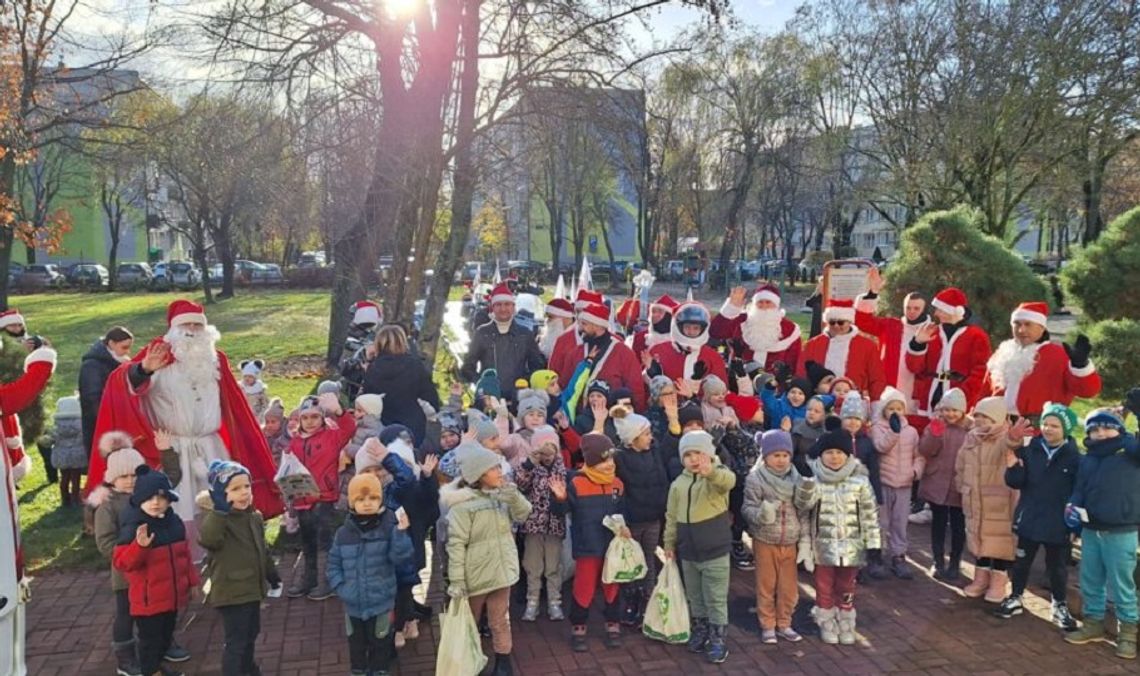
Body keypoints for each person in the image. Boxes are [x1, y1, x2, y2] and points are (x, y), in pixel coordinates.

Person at [86, 300, 284, 529]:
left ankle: (226, 557)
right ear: (173, 329)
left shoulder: (215, 359)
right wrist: (144, 370)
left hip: (213, 449)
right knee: (179, 511)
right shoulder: (157, 354)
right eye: (185, 325)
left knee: (223, 508)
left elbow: (233, 404)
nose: (191, 331)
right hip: (173, 451)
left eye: (197, 326)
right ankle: (182, 557)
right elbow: (122, 381)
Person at [444, 442, 533, 676]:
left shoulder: (503, 496)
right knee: (469, 622)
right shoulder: (463, 507)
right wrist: (457, 581)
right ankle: (469, 661)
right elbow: (456, 545)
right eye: (494, 468)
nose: (500, 472)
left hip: (502, 570)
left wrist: (514, 497)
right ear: (478, 475)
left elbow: (524, 514)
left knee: (500, 620)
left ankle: (504, 663)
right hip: (475, 576)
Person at [993, 403, 1079, 630]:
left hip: (1058, 521)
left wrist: (1075, 524)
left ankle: (1059, 604)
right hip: (1029, 516)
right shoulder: (1031, 449)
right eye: (1045, 424)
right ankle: (1016, 596)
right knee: (1021, 561)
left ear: (1066, 429)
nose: (1048, 429)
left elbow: (1078, 491)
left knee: (1057, 566)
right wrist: (1013, 468)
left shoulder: (1075, 457)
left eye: (1055, 426)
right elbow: (1016, 482)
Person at [1063, 410, 1139, 659]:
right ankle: (1093, 624)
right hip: (1091, 530)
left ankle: (1127, 633)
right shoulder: (1088, 458)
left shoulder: (1130, 454)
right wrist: (1072, 505)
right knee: (1090, 580)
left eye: (1107, 428)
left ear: (1120, 429)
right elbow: (1079, 488)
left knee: (1122, 585)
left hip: (1121, 530)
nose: (1101, 433)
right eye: (1094, 430)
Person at [196, 460, 280, 676]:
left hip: (252, 588)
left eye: (247, 487)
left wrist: (271, 573)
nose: (243, 493)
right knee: (237, 641)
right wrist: (220, 513)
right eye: (235, 489)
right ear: (220, 494)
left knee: (251, 633)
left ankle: (247, 668)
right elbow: (209, 539)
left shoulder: (253, 516)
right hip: (232, 592)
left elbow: (262, 549)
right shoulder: (218, 520)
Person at [113, 466, 200, 676]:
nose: (155, 502)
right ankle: (151, 671)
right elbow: (123, 563)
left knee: (164, 638)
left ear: (169, 500)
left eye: (161, 497)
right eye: (148, 497)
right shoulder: (133, 526)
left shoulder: (174, 524)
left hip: (171, 598)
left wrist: (193, 581)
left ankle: (157, 668)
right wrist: (140, 547)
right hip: (148, 602)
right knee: (150, 643)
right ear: (138, 499)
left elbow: (184, 556)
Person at [328, 473, 414, 676]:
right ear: (352, 502)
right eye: (361, 499)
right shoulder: (343, 534)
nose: (367, 504)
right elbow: (333, 564)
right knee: (356, 648)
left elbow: (400, 558)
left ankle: (379, 671)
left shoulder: (389, 527)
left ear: (381, 500)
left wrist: (401, 533)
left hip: (381, 603)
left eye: (373, 498)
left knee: (381, 646)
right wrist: (341, 587)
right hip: (353, 605)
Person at [552, 433, 630, 652]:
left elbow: (622, 512)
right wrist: (559, 499)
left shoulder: (618, 484)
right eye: (605, 461)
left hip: (611, 547)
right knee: (583, 587)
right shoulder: (577, 483)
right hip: (587, 547)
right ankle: (579, 626)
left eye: (612, 460)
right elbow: (561, 512)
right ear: (592, 461)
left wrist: (625, 528)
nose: (610, 465)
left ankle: (612, 623)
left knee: (612, 585)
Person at [663, 430, 736, 664]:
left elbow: (729, 481)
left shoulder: (717, 476)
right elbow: (671, 516)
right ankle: (701, 628)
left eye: (699, 453)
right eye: (689, 454)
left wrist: (711, 471)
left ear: (709, 454)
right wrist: (669, 542)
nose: (694, 459)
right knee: (695, 596)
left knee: (715, 596)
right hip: (689, 551)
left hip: (714, 549)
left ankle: (718, 637)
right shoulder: (678, 484)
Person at [803, 429, 881, 645]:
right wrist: (806, 489)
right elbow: (804, 509)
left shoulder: (860, 482)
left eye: (839, 452)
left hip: (851, 547)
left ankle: (845, 618)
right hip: (823, 547)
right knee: (824, 586)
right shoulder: (814, 481)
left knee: (847, 585)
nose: (834, 457)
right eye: (829, 452)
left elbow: (869, 514)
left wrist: (874, 543)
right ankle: (826, 619)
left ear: (848, 455)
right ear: (821, 455)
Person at [741, 430, 816, 644]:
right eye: (776, 455)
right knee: (766, 585)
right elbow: (747, 508)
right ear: (765, 456)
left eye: (785, 455)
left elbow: (802, 510)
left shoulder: (797, 477)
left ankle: (784, 623)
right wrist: (762, 514)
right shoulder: (756, 478)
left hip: (790, 541)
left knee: (789, 588)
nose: (781, 460)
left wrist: (804, 538)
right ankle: (768, 624)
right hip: (765, 540)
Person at [285, 393, 357, 600]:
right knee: (307, 541)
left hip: (324, 497)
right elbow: (288, 467)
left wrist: (339, 411)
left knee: (325, 540)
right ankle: (309, 578)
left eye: (314, 417)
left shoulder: (332, 436)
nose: (309, 422)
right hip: (302, 499)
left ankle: (329, 580)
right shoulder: (295, 442)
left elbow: (349, 428)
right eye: (305, 417)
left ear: (322, 417)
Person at [982, 302, 1101, 422]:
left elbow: (1088, 391)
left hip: (1039, 431)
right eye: (1016, 324)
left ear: (1042, 327)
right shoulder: (1002, 353)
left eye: (1028, 325)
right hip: (996, 428)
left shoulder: (1058, 355)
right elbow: (984, 391)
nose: (1021, 330)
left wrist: (1080, 366)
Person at [955, 396, 1024, 604]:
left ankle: (998, 582)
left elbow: (1012, 443)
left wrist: (1014, 437)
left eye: (986, 417)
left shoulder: (1003, 437)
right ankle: (981, 578)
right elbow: (960, 464)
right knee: (979, 541)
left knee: (1000, 543)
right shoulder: (970, 438)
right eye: (978, 416)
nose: (980, 421)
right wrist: (961, 485)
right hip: (974, 499)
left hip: (999, 501)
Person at [89, 432, 147, 676]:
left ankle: (152, 650)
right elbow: (105, 542)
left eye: (135, 475)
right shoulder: (108, 506)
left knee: (149, 611)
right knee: (125, 613)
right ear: (112, 478)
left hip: (150, 568)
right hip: (125, 573)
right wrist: (128, 555)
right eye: (124, 476)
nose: (130, 480)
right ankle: (125, 658)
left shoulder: (148, 497)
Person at [611, 405, 670, 628]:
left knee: (649, 560)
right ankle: (630, 603)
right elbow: (617, 492)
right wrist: (622, 521)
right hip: (632, 521)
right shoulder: (620, 458)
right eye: (645, 434)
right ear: (632, 438)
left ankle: (648, 602)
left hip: (653, 518)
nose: (650, 437)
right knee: (631, 564)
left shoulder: (654, 451)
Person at [906, 287, 992, 415]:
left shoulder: (976, 336)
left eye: (940, 310)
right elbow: (915, 368)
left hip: (958, 404)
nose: (936, 314)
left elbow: (981, 371)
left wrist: (962, 396)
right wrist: (917, 343)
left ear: (955, 311)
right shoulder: (931, 332)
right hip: (928, 399)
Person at [513, 425, 567, 623]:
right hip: (533, 526)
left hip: (554, 526)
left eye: (551, 448)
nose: (546, 454)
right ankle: (532, 602)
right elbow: (519, 484)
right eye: (542, 449)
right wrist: (530, 463)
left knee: (553, 566)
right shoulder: (529, 467)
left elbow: (567, 497)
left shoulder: (562, 470)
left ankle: (555, 602)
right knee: (532, 566)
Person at [916, 388, 971, 581]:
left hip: (958, 483)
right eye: (947, 410)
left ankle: (955, 563)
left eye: (955, 410)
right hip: (937, 480)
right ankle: (938, 561)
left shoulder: (970, 429)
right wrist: (935, 435)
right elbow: (925, 450)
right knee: (938, 523)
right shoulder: (935, 426)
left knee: (958, 526)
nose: (951, 414)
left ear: (963, 411)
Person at [460, 283, 547, 401]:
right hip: (488, 399)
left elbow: (537, 365)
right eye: (498, 305)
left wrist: (524, 382)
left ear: (513, 307)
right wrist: (482, 383)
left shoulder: (525, 334)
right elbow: (468, 367)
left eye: (507, 304)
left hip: (518, 399)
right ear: (492, 307)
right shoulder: (482, 333)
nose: (503, 309)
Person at [856, 268, 928, 411]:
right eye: (908, 308)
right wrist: (873, 293)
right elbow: (863, 322)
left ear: (924, 309)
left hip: (916, 393)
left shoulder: (932, 331)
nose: (911, 312)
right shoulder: (892, 325)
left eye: (916, 308)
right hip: (888, 389)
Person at [552, 302, 647, 411]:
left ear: (597, 326)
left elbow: (636, 390)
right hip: (579, 421)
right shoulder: (575, 352)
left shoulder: (624, 353)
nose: (580, 328)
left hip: (612, 420)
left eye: (584, 324)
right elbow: (564, 384)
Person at [870, 386, 923, 580]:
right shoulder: (878, 428)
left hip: (904, 484)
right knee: (881, 521)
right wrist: (893, 431)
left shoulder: (912, 431)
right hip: (884, 482)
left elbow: (919, 455)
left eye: (899, 408)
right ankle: (876, 555)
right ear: (884, 409)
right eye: (891, 408)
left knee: (900, 522)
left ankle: (898, 556)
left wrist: (915, 471)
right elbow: (880, 447)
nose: (895, 412)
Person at [361, 324, 441, 446]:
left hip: (382, 425)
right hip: (412, 425)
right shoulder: (415, 365)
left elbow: (367, 400)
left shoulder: (373, 369)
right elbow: (431, 398)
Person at [797, 299, 886, 400]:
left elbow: (877, 378)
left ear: (849, 322)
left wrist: (875, 404)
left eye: (841, 322)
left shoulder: (867, 346)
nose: (836, 326)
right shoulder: (812, 345)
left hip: (854, 403)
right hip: (820, 402)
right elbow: (801, 374)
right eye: (832, 322)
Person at [709, 284, 802, 371]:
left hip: (775, 383)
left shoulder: (790, 329)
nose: (764, 306)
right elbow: (716, 332)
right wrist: (732, 307)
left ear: (776, 305)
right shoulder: (741, 320)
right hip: (739, 377)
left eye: (768, 302)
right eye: (760, 302)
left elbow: (794, 361)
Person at [78, 327, 134, 458]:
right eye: (124, 347)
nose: (128, 351)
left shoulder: (117, 362)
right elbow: (91, 399)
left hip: (116, 421)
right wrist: (107, 421)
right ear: (111, 344)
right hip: (101, 425)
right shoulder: (92, 365)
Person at [648, 302, 729, 385]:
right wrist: (651, 375)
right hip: (665, 397)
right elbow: (642, 387)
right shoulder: (658, 350)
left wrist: (697, 384)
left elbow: (720, 391)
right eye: (687, 327)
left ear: (703, 329)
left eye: (696, 328)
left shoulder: (713, 357)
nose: (691, 331)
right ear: (678, 326)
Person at [43, 395, 85, 508]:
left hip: (62, 456)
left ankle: (65, 499)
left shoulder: (56, 426)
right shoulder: (81, 424)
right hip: (77, 455)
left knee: (64, 478)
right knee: (76, 478)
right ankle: (76, 499)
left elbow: (50, 440)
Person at [629, 294, 678, 360]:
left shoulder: (680, 341)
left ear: (669, 316)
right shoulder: (640, 338)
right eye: (653, 311)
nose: (654, 315)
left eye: (660, 311)